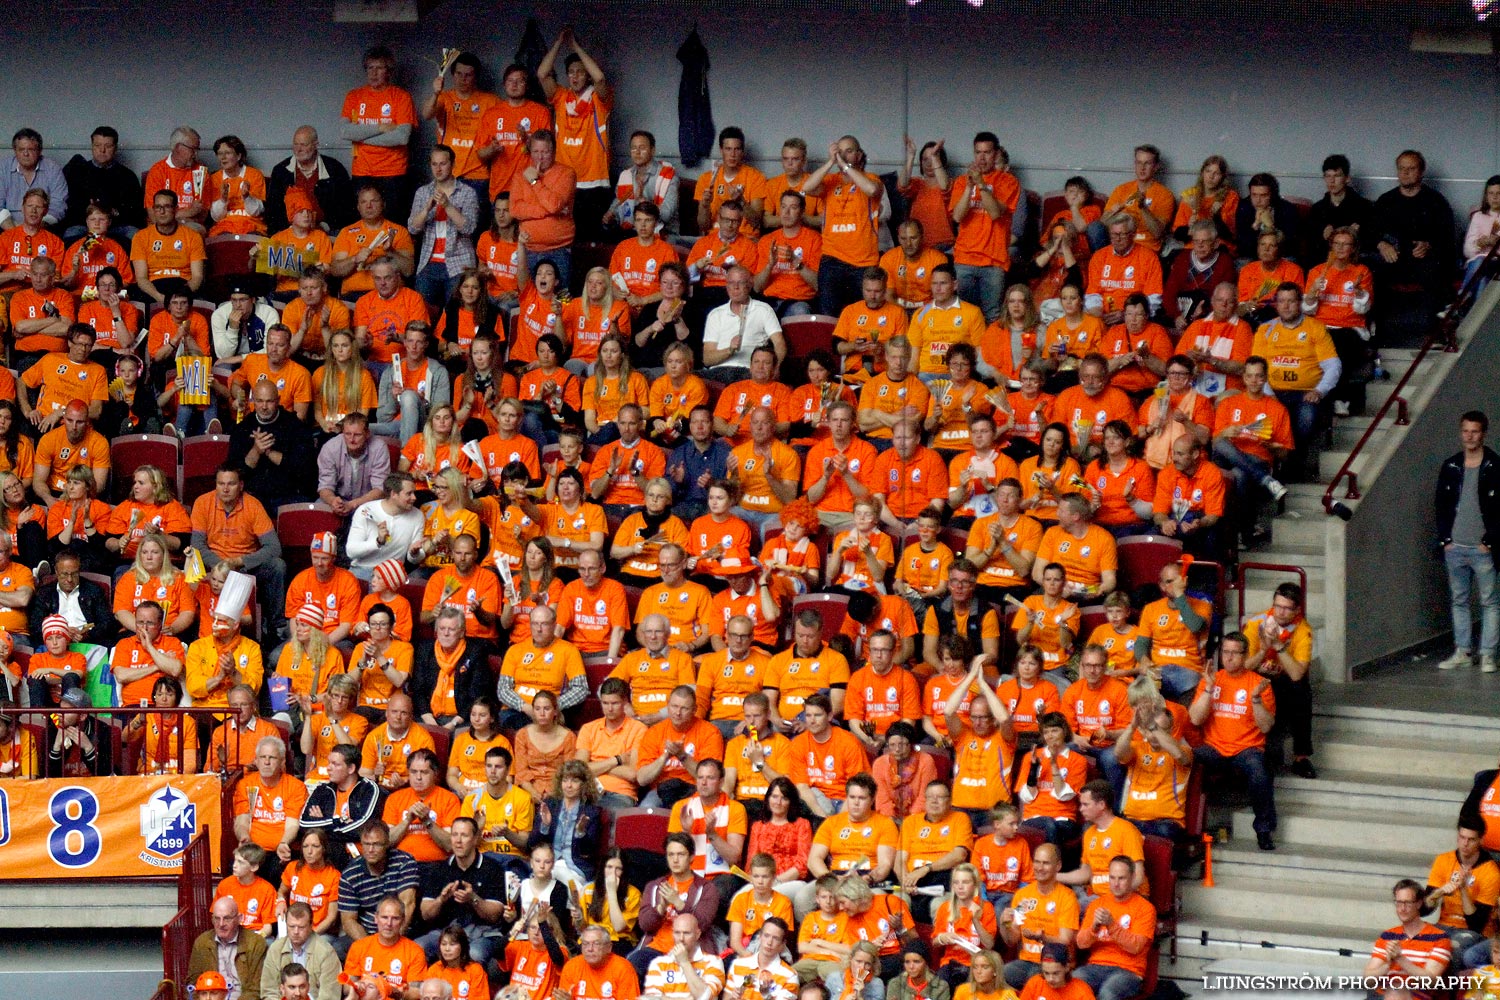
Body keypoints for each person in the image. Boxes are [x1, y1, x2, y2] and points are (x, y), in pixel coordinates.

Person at [1190, 632, 1276, 850]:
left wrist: (1255, 699)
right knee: (1185, 758)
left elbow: (1266, 726)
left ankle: (1264, 829)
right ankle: (1188, 827)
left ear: (1245, 655)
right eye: (1225, 652)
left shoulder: (1259, 683)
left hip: (1247, 749)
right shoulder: (1212, 679)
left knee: (1259, 770)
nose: (1228, 658)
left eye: (1234, 653)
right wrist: (1208, 689)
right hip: (1214, 748)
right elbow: (1195, 718)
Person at [1436, 411, 1500, 673]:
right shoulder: (1451, 465)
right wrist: (1445, 540)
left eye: (1474, 431)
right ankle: (1462, 651)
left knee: (1489, 602)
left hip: (1483, 548)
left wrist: (1490, 540)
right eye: (1465, 431)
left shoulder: (1495, 466)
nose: (1469, 436)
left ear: (1483, 433)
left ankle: (1488, 655)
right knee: (1459, 600)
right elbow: (1440, 504)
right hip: (1456, 547)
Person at [538, 28, 613, 241]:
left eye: (580, 71)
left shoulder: (599, 99)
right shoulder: (561, 96)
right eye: (571, 72)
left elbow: (600, 78)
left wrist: (576, 47)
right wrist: (559, 43)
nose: (575, 76)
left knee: (593, 241)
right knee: (567, 238)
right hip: (565, 180)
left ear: (586, 74)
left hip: (594, 180)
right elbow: (542, 74)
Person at [1211, 357, 1293, 546]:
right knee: (1222, 444)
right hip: (1225, 458)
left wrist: (1272, 447)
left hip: (1258, 459)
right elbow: (1215, 443)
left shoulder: (1277, 409)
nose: (1254, 381)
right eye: (1249, 376)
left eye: (1258, 376)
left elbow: (1285, 454)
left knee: (1240, 474)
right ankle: (1264, 480)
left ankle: (1243, 531)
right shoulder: (1229, 403)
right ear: (1243, 378)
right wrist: (1225, 432)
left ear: (1265, 378)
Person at [805, 136, 884, 316]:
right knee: (828, 314)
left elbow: (871, 190)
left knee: (862, 315)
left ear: (858, 155)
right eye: (840, 151)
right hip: (833, 259)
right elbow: (807, 187)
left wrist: (846, 166)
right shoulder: (831, 180)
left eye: (848, 151)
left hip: (863, 261)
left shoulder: (872, 179)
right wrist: (831, 162)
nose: (843, 155)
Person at [1245, 582, 1317, 777]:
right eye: (1278, 606)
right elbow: (1243, 666)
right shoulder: (1256, 623)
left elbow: (1296, 674)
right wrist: (1262, 650)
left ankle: (1301, 757)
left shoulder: (1303, 630)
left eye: (1287, 608)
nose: (1281, 612)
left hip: (1283, 680)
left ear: (1297, 610)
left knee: (1301, 690)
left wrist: (1278, 646)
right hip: (1255, 677)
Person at [949, 133, 1021, 323]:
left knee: (992, 315)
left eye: (987, 152)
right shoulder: (961, 181)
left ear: (996, 154)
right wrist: (968, 187)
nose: (981, 158)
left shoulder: (1008, 182)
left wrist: (981, 184)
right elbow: (957, 216)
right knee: (964, 316)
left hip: (993, 260)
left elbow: (995, 212)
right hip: (965, 258)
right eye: (978, 152)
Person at [801, 773, 895, 912]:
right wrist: (832, 878)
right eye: (852, 797)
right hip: (834, 876)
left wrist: (867, 878)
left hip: (866, 878)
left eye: (862, 798)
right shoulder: (832, 823)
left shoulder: (885, 824)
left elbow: (885, 865)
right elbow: (814, 859)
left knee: (878, 899)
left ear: (872, 799)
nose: (856, 803)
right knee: (803, 898)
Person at [631, 837, 721, 981]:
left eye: (681, 854)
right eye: (671, 854)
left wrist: (678, 904)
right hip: (657, 949)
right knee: (631, 966)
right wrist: (661, 908)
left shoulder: (707, 888)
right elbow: (645, 925)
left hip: (691, 951)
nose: (675, 860)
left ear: (692, 857)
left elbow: (702, 924)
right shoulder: (654, 886)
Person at [1072, 857, 1155, 1000]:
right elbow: (1081, 943)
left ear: (1133, 878)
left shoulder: (1145, 908)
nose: (1116, 884)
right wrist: (1094, 928)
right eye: (1112, 878)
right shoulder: (1097, 904)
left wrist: (1111, 925)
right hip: (1095, 966)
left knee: (1108, 993)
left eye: (1121, 878)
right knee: (1072, 985)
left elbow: (1135, 947)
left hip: (1128, 970)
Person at [998, 842, 1076, 990]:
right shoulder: (1023, 895)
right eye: (1037, 862)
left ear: (1058, 866)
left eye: (1046, 863)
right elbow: (1012, 940)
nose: (1040, 868)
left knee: (1034, 980)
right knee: (997, 976)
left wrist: (1042, 938)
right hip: (1026, 961)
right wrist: (1005, 924)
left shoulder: (1067, 897)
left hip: (1054, 964)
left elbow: (1065, 940)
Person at [1365, 879, 1453, 999]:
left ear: (1419, 903)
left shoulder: (1439, 938)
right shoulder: (1388, 935)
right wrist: (1388, 965)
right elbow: (1368, 978)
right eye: (1399, 903)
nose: (1402, 908)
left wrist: (1400, 959)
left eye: (1407, 903)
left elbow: (1430, 981)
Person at [299, 743, 381, 865]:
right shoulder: (322, 791)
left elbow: (363, 828)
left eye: (335, 764)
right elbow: (304, 824)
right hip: (326, 855)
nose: (328, 768)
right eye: (329, 763)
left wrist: (322, 824)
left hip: (359, 857)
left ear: (351, 768)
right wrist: (339, 821)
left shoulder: (369, 789)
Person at [703, 266, 786, 384]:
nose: (735, 287)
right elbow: (707, 359)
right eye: (731, 283)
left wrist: (775, 367)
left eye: (740, 283)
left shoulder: (763, 309)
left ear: (750, 284)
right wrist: (729, 350)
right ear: (726, 286)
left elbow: (779, 343)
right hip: (717, 371)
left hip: (748, 371)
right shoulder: (715, 314)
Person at [62, 126, 145, 239]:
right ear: (92, 147)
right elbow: (70, 206)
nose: (102, 150)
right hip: (85, 225)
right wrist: (90, 210)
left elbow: (135, 211)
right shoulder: (78, 172)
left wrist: (112, 212)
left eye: (108, 146)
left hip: (117, 226)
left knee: (135, 235)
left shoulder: (127, 176)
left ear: (115, 148)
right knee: (71, 234)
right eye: (97, 145)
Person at [1151, 436, 1226, 560]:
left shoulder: (1212, 473)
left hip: (1201, 522)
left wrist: (1198, 524)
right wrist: (1165, 522)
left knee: (1212, 535)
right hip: (1173, 519)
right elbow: (1159, 512)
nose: (1174, 458)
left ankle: (1207, 578)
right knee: (1152, 534)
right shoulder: (1166, 473)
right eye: (1173, 453)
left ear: (1195, 454)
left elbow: (1213, 516)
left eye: (1180, 454)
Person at [129, 189, 206, 304]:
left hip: (182, 286)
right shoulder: (141, 237)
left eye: (167, 206)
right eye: (158, 207)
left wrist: (180, 296)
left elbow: (197, 276)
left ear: (176, 209)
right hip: (153, 287)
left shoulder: (192, 236)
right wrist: (161, 298)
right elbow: (141, 278)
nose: (162, 211)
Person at [346, 473, 425, 582]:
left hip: (391, 574)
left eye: (414, 493)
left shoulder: (417, 516)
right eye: (409, 494)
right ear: (393, 494)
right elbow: (351, 551)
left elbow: (414, 559)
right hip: (363, 569)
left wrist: (414, 553)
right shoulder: (366, 510)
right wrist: (377, 542)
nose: (414, 498)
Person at [755, 190, 822, 318]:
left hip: (799, 301)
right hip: (770, 301)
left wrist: (795, 261)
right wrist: (770, 265)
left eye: (793, 207)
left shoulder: (814, 239)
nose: (786, 212)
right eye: (784, 207)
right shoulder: (767, 240)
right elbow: (758, 287)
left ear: (802, 212)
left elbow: (817, 284)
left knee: (799, 311)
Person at [189, 896, 269, 1000]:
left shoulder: (255, 943)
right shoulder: (202, 943)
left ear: (239, 918)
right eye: (217, 919)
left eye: (227, 918)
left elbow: (257, 987)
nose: (221, 924)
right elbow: (193, 982)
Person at [696, 127, 768, 240]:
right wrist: (704, 206)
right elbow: (703, 226)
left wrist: (741, 201)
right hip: (715, 239)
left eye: (737, 149)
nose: (732, 154)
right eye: (728, 149)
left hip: (746, 238)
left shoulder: (756, 177)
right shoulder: (706, 179)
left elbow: (756, 223)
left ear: (742, 151)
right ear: (721, 150)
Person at [605, 129, 678, 236]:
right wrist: (610, 216)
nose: (637, 152)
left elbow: (666, 215)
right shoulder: (626, 176)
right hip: (632, 231)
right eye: (633, 148)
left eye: (642, 148)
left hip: (663, 233)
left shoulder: (668, 176)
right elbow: (617, 207)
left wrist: (645, 203)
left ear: (653, 150)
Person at [1102, 145, 1173, 255]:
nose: (1142, 168)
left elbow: (1158, 233)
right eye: (1139, 163)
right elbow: (1102, 223)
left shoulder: (1165, 195)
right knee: (1095, 228)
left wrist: (1143, 208)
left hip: (1147, 246)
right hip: (1120, 244)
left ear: (1156, 167)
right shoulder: (1121, 189)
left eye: (1147, 163)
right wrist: (1114, 211)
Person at [315, 414, 389, 516]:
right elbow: (325, 486)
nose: (351, 439)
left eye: (357, 435)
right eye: (347, 434)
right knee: (316, 511)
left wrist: (354, 504)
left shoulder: (379, 447)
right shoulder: (330, 448)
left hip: (368, 501)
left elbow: (380, 489)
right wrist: (332, 500)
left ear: (367, 433)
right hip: (338, 499)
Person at [642, 913, 726, 1000]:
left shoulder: (713, 962)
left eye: (686, 933)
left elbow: (705, 996)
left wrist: (684, 963)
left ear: (697, 935)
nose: (681, 938)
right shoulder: (659, 964)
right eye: (677, 933)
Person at [561, 923, 642, 998]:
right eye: (585, 944)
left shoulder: (623, 968)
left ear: (609, 947)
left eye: (596, 943)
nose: (590, 949)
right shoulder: (572, 966)